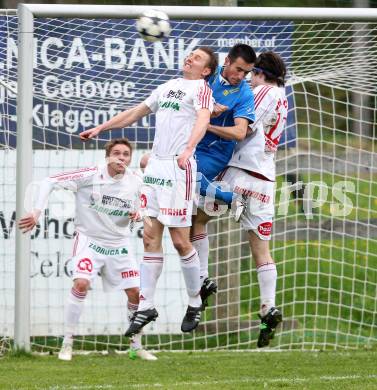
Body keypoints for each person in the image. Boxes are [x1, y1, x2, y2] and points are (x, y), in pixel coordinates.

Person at [79, 47, 218, 335]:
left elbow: (204, 119)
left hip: (179, 169)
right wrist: (101, 128)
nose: (190, 58)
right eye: (190, 54)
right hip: (154, 168)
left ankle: (194, 301)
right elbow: (135, 113)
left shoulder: (201, 88)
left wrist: (189, 148)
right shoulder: (167, 86)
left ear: (206, 70)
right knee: (149, 236)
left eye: (198, 58)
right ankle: (146, 305)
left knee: (180, 241)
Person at [18, 138, 157, 361]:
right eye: (117, 153)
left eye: (126, 154)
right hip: (89, 240)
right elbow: (49, 181)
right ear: (107, 156)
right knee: (81, 283)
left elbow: (148, 209)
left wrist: (140, 214)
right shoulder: (91, 175)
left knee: (135, 293)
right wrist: (36, 212)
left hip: (119, 244)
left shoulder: (136, 181)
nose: (121, 157)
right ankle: (67, 343)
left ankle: (136, 346)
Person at [206, 51, 288, 347]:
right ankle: (268, 305)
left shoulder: (262, 91)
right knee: (261, 250)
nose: (248, 77)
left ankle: (202, 280)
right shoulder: (282, 95)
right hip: (266, 179)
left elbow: (244, 129)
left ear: (260, 73)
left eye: (252, 73)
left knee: (195, 218)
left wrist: (209, 118)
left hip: (242, 172)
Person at [190, 44, 257, 308]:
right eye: (239, 69)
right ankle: (203, 279)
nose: (241, 76)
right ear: (227, 61)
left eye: (247, 72)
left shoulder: (243, 93)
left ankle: (231, 197)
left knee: (183, 170)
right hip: (189, 143)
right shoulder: (205, 75)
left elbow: (240, 133)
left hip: (213, 152)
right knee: (194, 220)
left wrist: (207, 124)